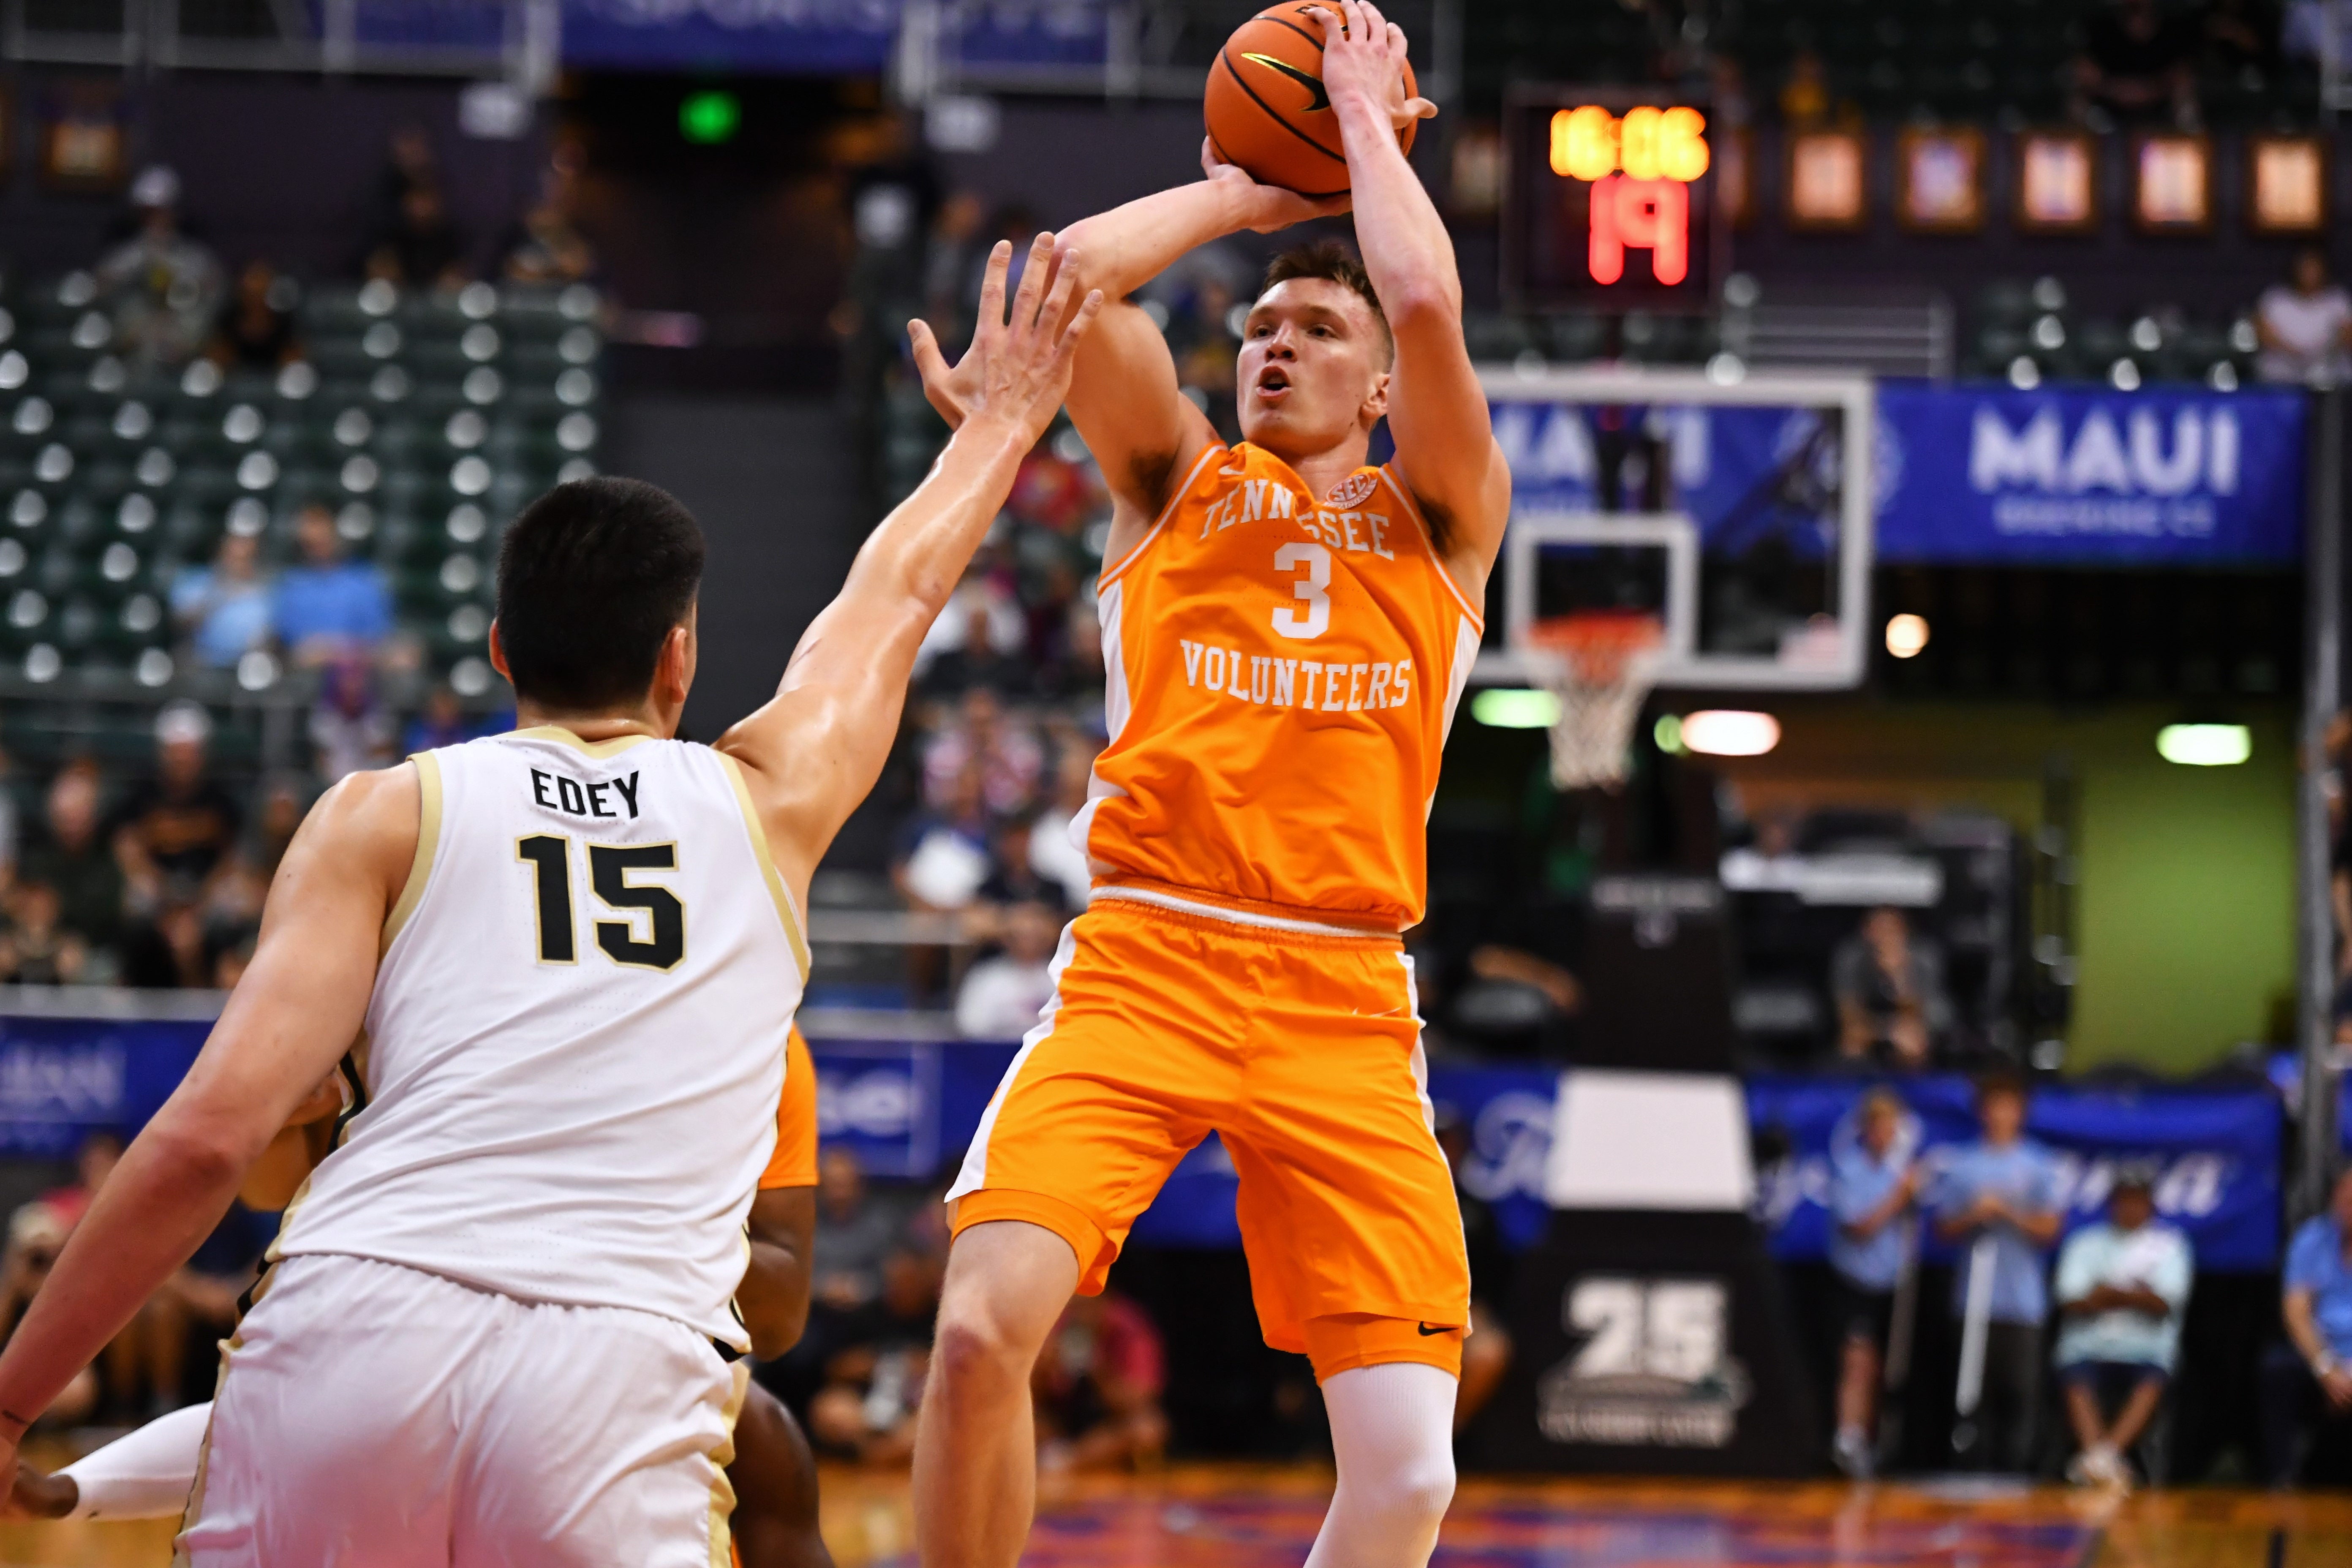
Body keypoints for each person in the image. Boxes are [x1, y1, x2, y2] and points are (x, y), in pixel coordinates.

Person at [0, 237, 1099, 1560]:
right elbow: (897, 593)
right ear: (679, 659)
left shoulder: (382, 811)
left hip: (356, 1318)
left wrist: (15, 1398)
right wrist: (1004, 423)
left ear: (501, 651)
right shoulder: (767, 802)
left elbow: (201, 1141)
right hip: (617, 1360)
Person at [905, 9, 1504, 1565]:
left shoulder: (1441, 521)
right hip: (1147, 961)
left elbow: (1426, 291)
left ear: (1380, 389)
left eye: (1315, 327)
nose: (1272, 341)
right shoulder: (1174, 479)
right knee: (977, 1337)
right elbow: (1068, 285)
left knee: (1411, 1477)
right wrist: (1250, 191)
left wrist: (1360, 124)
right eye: (1258, 326)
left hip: (1344, 992)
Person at [7, 1026, 839, 1568]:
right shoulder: (406, 1029)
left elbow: (777, 1311)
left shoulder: (753, 1036)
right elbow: (284, 1407)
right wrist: (74, 1486)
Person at [1930, 1073, 2064, 1473]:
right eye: (1994, 1106)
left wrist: (2008, 1212)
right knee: (1972, 1390)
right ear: (1982, 1112)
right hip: (1973, 1299)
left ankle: (2018, 1472)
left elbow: (2051, 1229)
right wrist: (1975, 1214)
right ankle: (1972, 1469)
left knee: (2020, 1391)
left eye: (2009, 1106)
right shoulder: (1964, 1165)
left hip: (2022, 1301)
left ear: (2021, 1112)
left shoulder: (2038, 1164)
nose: (2001, 1115)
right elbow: (1942, 1229)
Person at [2052, 1169, 2192, 1489]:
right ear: (2112, 1204)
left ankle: (2101, 1458)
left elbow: (2165, 1303)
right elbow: (2071, 1301)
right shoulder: (2084, 1243)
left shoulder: (2168, 1246)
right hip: (2089, 1345)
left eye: (2138, 1200)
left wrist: (2109, 1294)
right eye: (2124, 1200)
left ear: (2150, 1205)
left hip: (2145, 1349)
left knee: (2152, 1379)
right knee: (2075, 1375)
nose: (2131, 1208)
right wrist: (2135, 1295)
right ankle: (2103, 1461)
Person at [1826, 1086, 1919, 1479]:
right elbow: (1859, 1226)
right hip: (1855, 1280)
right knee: (1858, 1361)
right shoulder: (1850, 1171)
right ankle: (1847, 1437)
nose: (1884, 1133)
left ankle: (1876, 1439)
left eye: (1890, 1126)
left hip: (1892, 1283)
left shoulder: (1901, 1172)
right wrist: (1899, 1198)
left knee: (1885, 1365)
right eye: (1877, 1125)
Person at [2262, 1165, 2352, 1485]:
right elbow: (2297, 1311)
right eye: (2346, 1196)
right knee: (2277, 1369)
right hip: (2322, 1350)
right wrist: (2326, 1367)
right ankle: (2282, 1478)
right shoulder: (2313, 1238)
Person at [112, 702, 241, 907]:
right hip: (157, 888)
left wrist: (203, 898)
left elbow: (234, 854)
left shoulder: (220, 799)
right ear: (163, 754)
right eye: (176, 753)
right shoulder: (142, 795)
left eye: (189, 753)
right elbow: (127, 846)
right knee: (137, 898)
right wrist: (162, 889)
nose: (182, 760)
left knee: (236, 898)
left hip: (207, 892)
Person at [95, 166, 223, 369]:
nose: (155, 219)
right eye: (147, 213)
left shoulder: (197, 258)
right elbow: (102, 290)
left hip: (183, 350)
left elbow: (212, 299)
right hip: (133, 350)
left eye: (161, 212)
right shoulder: (123, 256)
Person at [1032, 1289, 1167, 1473]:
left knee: (1147, 1430)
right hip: (1062, 1421)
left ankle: (1064, 1461)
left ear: (1103, 1302)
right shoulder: (1061, 1325)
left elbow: (1138, 1400)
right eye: (1074, 1307)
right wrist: (1047, 1367)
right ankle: (1054, 1459)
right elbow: (1033, 1394)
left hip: (1105, 1425)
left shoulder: (1129, 1330)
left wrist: (1098, 1368)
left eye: (1086, 1308)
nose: (1079, 1316)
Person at [20, 763, 124, 973]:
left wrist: (74, 942)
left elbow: (109, 916)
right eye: (66, 819)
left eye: (78, 818)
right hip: (40, 945)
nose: (72, 827)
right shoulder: (37, 859)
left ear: (93, 818)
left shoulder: (108, 857)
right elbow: (26, 908)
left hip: (96, 948)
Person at [1832, 907, 1953, 1070]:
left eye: (1892, 930)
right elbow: (1849, 1015)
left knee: (1912, 1043)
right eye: (1878, 929)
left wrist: (1899, 976)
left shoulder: (1924, 958)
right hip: (1869, 1021)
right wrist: (1880, 1032)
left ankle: (1911, 1091)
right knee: (1851, 1046)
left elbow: (1917, 1016)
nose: (1885, 937)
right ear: (1865, 932)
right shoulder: (1851, 958)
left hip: (1912, 1021)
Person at [274, 503, 394, 666]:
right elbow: (287, 636)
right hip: (303, 671)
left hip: (357, 670)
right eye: (310, 543)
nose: (317, 545)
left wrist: (336, 651)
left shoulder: (366, 580)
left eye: (323, 538)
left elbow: (378, 634)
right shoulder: (292, 583)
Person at [954, 896, 1064, 1040]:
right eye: (1022, 936)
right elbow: (970, 1027)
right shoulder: (987, 977)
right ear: (1007, 938)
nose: (1029, 943)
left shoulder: (1064, 976)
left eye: (1036, 936)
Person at [2072, 0, 2198, 125]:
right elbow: (2086, 73)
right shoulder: (2099, 27)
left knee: (2186, 96)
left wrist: (2148, 91)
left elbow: (2181, 74)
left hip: (2160, 106)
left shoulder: (2174, 28)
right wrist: (2117, 91)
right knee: (2077, 96)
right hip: (2107, 108)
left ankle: (2186, 141)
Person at [171, 531, 275, 670]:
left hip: (246, 665)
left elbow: (271, 636)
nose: (237, 565)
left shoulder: (268, 593)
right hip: (201, 661)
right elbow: (181, 623)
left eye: (244, 559)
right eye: (231, 557)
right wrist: (218, 591)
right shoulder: (195, 582)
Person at [2257, 248, 2352, 387]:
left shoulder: (2338, 300)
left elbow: (2348, 335)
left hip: (2330, 381)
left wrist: (2321, 352)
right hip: (2282, 380)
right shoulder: (2275, 300)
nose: (2310, 274)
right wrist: (2295, 353)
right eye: (2306, 269)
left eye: (2314, 269)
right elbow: (2263, 335)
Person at [209, 259, 301, 372]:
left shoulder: (284, 321)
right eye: (252, 294)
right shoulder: (229, 318)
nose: (257, 300)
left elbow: (295, 357)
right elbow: (216, 355)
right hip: (234, 376)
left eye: (261, 293)